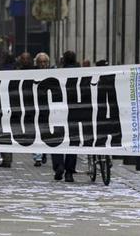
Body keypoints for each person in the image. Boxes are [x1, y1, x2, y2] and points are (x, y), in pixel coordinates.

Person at [52, 50, 79, 182]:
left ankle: (58, 165)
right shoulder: (82, 74)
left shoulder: (58, 73)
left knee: (57, 139)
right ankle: (69, 172)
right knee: (72, 141)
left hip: (59, 111)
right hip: (75, 111)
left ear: (63, 61)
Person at [32, 52, 50, 167]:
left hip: (48, 108)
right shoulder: (32, 74)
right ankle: (37, 157)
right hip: (35, 107)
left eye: (45, 62)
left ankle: (44, 152)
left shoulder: (52, 73)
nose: (43, 64)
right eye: (40, 62)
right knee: (36, 132)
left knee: (46, 132)